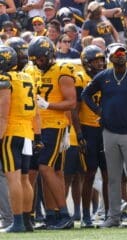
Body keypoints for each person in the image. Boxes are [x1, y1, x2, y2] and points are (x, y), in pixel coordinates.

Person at [81, 42, 127, 228]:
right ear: (110, 57)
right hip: (109, 132)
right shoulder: (103, 77)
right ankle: (113, 217)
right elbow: (86, 94)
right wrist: (98, 111)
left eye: (122, 53)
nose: (120, 56)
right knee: (112, 177)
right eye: (116, 53)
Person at [28, 36, 76, 229]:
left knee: (45, 168)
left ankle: (64, 214)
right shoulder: (33, 71)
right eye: (35, 59)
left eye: (40, 58)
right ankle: (51, 215)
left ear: (49, 55)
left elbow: (72, 102)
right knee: (51, 170)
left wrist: (49, 105)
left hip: (55, 125)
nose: (37, 63)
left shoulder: (62, 71)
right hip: (38, 127)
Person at [72, 45, 108, 228]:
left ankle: (110, 214)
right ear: (86, 63)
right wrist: (79, 134)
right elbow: (75, 110)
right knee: (89, 173)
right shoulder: (81, 78)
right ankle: (86, 215)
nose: (100, 63)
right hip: (88, 130)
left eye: (102, 59)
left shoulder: (108, 77)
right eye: (96, 60)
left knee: (109, 174)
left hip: (106, 130)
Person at [0, 45, 35, 233]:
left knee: (13, 178)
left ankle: (18, 222)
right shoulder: (27, 77)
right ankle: (27, 221)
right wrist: (37, 134)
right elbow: (35, 110)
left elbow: (3, 112)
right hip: (27, 132)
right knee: (24, 179)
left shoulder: (5, 79)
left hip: (11, 131)